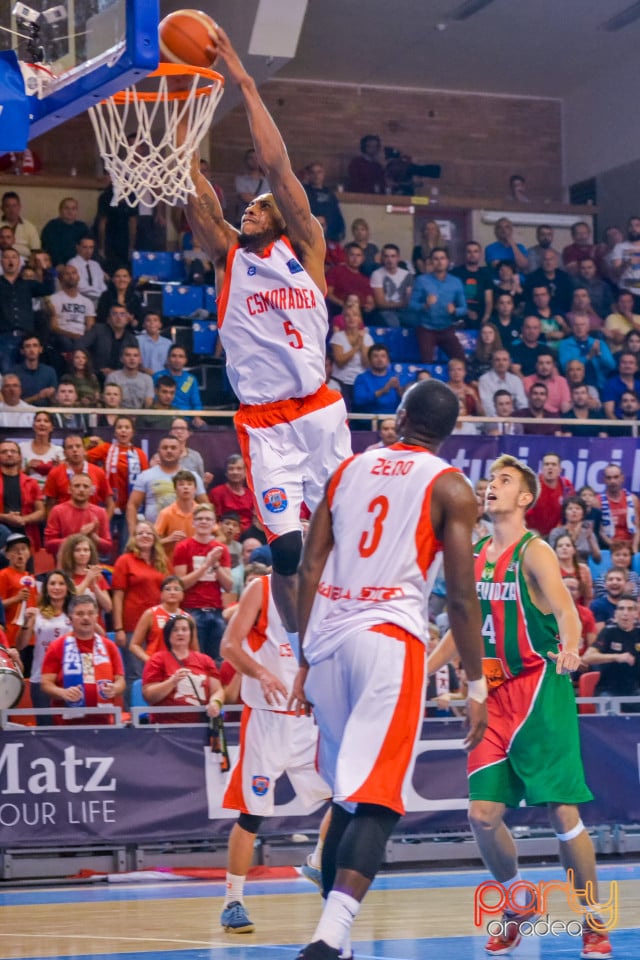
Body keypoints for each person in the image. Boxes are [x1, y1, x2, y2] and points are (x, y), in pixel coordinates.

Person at [291, 379, 486, 960]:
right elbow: (459, 599)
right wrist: (475, 684)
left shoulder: (349, 470)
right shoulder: (450, 485)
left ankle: (336, 941)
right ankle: (331, 936)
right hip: (388, 639)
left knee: (347, 800)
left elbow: (307, 568)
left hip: (328, 640)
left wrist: (305, 656)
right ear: (449, 433)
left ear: (399, 416)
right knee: (377, 798)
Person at [180, 27, 352, 635]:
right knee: (285, 552)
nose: (249, 206)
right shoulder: (231, 255)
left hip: (319, 410)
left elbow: (276, 166)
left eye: (259, 203)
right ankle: (303, 647)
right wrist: (185, 134)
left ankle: (347, 624)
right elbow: (195, 194)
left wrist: (244, 80)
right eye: (246, 204)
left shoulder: (305, 246)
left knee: (345, 542)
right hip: (264, 425)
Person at [427, 454, 613, 960]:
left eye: (504, 482)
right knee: (482, 815)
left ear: (525, 498)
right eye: (490, 481)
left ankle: (593, 921)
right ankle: (518, 903)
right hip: (492, 694)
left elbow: (566, 611)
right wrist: (420, 669)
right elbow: (458, 628)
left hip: (539, 687)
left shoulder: (536, 552)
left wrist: (572, 646)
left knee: (560, 810)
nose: (491, 487)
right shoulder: (477, 552)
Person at [219, 571, 332, 934]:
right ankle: (233, 901)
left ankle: (317, 861)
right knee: (251, 814)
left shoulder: (325, 587)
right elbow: (229, 646)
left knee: (346, 799)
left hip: (307, 716)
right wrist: (262, 674)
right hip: (266, 720)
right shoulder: (261, 587)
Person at [40, 594, 125, 725]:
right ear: (70, 618)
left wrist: (115, 688)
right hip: (66, 724)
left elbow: (120, 680)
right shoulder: (57, 646)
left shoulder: (109, 646)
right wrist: (63, 693)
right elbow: (46, 684)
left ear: (97, 617)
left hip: (103, 723)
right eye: (80, 614)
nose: (86, 618)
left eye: (90, 613)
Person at [111, 520, 170, 697]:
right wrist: (118, 628)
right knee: (135, 673)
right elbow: (118, 596)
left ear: (155, 538)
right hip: (132, 626)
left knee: (159, 673)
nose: (145, 536)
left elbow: (171, 590)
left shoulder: (162, 561)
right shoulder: (125, 561)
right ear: (133, 538)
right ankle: (133, 716)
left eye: (149, 533)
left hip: (160, 627)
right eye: (140, 533)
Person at [173, 503, 233, 663]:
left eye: (208, 519)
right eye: (199, 519)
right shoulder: (183, 547)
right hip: (192, 609)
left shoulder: (221, 549)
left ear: (214, 524)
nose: (204, 522)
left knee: (219, 660)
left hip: (216, 609)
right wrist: (206, 565)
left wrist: (215, 564)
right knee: (194, 659)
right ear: (193, 523)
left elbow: (229, 585)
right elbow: (181, 584)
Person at [142, 613, 224, 724]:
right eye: (175, 630)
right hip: (165, 727)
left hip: (201, 724)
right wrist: (172, 682)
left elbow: (218, 690)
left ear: (191, 634)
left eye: (184, 629)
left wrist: (216, 702)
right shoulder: (157, 659)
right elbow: (148, 696)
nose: (180, 633)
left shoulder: (205, 660)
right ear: (168, 634)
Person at [16, 570, 74, 720]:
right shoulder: (37, 614)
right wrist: (27, 623)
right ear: (46, 588)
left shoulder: (75, 614)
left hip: (69, 679)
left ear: (67, 587)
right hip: (40, 678)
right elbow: (21, 645)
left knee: (70, 728)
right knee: (45, 728)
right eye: (52, 583)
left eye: (61, 583)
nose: (56, 587)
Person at [86, 416, 148, 550]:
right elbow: (83, 457)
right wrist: (88, 445)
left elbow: (144, 480)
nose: (123, 431)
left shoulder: (140, 454)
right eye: (120, 428)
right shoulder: (106, 449)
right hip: (108, 506)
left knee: (127, 547)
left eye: (127, 428)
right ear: (114, 432)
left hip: (129, 508)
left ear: (132, 432)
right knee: (103, 548)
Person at [126, 434, 206, 529]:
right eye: (165, 448)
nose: (169, 451)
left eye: (173, 448)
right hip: (154, 535)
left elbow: (205, 506)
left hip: (186, 532)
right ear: (158, 452)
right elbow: (132, 505)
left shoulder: (193, 476)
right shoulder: (145, 476)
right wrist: (133, 533)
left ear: (180, 452)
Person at [408, 248, 467, 362]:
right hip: (426, 328)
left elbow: (464, 308)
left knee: (461, 362)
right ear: (431, 262)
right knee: (427, 363)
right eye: (436, 259)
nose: (439, 262)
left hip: (447, 328)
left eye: (442, 258)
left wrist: (455, 311)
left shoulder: (456, 282)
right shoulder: (421, 280)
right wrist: (425, 305)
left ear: (448, 261)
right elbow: (411, 305)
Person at [583, 595, 640, 709]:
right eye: (621, 608)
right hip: (608, 691)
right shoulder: (608, 632)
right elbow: (587, 657)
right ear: (615, 613)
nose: (625, 613)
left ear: (636, 613)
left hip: (634, 691)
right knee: (611, 722)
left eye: (630, 609)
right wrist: (617, 657)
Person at [44, 472, 112, 559]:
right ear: (69, 489)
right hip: (65, 565)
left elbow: (107, 548)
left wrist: (94, 537)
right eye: (77, 486)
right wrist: (79, 536)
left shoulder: (100, 512)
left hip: (91, 566)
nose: (81, 490)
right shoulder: (57, 511)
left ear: (92, 491)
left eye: (86, 486)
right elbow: (49, 545)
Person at [44, 434, 114, 517]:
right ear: (64, 453)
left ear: (84, 450)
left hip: (92, 525)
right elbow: (50, 506)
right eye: (70, 447)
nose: (75, 450)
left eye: (78, 446)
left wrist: (102, 525)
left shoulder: (98, 472)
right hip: (64, 526)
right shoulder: (55, 473)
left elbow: (110, 504)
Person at [129, 575, 190, 664]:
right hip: (156, 665)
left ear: (183, 594)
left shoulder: (187, 618)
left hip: (180, 666)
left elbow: (194, 649)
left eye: (177, 589)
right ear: (161, 594)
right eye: (168, 589)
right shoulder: (150, 614)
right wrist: (150, 661)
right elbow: (134, 645)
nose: (172, 592)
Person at [0, 439, 45, 550]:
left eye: (13, 451)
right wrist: (5, 517)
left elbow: (41, 512)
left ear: (20, 457)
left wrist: (24, 519)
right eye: (4, 452)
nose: (9, 454)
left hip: (26, 535)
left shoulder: (31, 482)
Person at [0, 532, 39, 654]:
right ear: (7, 555)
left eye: (23, 549)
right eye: (15, 550)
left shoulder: (31, 577)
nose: (20, 553)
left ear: (29, 553)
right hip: (11, 636)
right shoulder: (3, 575)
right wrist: (16, 598)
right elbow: (0, 605)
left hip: (31, 636)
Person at [58, 533, 112, 620]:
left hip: (96, 627)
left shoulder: (97, 576)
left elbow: (108, 607)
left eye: (86, 550)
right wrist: (88, 579)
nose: (82, 553)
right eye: (77, 550)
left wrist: (95, 586)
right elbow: (72, 599)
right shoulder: (63, 577)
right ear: (70, 553)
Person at [329, 305, 374, 408]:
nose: (351, 318)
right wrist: (356, 347)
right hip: (341, 381)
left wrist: (361, 343)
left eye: (355, 315)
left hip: (360, 381)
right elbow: (340, 362)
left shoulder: (367, 338)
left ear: (359, 319)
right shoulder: (337, 337)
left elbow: (367, 363)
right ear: (343, 319)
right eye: (347, 316)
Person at [525, 452, 575, 539]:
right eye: (546, 464)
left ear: (560, 469)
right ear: (542, 468)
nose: (550, 467)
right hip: (532, 532)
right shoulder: (531, 485)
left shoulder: (566, 485)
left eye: (554, 464)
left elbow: (570, 509)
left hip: (556, 532)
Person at [46, 263, 95, 351]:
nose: (71, 276)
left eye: (74, 273)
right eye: (67, 274)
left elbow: (90, 325)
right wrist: (72, 335)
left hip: (82, 337)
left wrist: (83, 337)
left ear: (78, 277)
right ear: (60, 279)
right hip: (62, 336)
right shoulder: (53, 299)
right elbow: (53, 327)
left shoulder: (87, 302)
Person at [154, 469, 198, 560]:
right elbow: (153, 542)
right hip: (172, 563)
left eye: (189, 484)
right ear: (175, 489)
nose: (186, 487)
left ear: (195, 489)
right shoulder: (166, 513)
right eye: (181, 484)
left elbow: (221, 536)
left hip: (197, 562)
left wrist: (207, 543)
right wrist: (168, 539)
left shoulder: (202, 512)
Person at [598, 463, 640, 552]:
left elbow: (638, 527)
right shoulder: (597, 501)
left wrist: (634, 548)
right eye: (609, 478)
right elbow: (599, 531)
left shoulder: (633, 499)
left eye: (616, 477)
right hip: (609, 547)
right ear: (604, 480)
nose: (612, 481)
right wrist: (615, 547)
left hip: (631, 547)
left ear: (622, 478)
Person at [352, 343, 404, 415]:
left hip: (392, 420)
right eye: (375, 356)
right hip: (369, 420)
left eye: (383, 356)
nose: (379, 359)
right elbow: (359, 400)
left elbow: (406, 402)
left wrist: (398, 389)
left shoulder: (395, 378)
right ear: (369, 360)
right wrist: (383, 390)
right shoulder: (361, 378)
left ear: (388, 360)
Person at [548, 496, 602, 564]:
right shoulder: (556, 532)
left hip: (583, 568)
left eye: (578, 508)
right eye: (570, 509)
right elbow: (554, 555)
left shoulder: (587, 532)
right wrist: (575, 535)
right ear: (565, 513)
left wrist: (590, 539)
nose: (574, 511)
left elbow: (598, 560)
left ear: (583, 513)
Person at [451, 240, 493, 328]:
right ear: (464, 254)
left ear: (480, 254)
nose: (472, 254)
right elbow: (451, 297)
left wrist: (486, 317)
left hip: (481, 317)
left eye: (475, 251)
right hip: (458, 316)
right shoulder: (455, 273)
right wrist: (466, 311)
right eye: (469, 252)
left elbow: (489, 300)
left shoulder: (486, 274)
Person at [369, 243, 412, 328]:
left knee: (418, 321)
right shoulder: (377, 274)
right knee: (393, 323)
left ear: (398, 258)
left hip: (404, 311)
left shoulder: (407, 274)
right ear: (382, 258)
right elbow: (380, 304)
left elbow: (409, 300)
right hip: (385, 311)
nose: (389, 260)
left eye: (393, 256)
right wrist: (401, 304)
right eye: (386, 256)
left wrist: (403, 303)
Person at [19, 410, 64, 490]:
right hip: (26, 491)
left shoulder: (58, 451)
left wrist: (57, 469)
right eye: (38, 420)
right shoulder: (21, 447)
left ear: (51, 427)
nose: (42, 424)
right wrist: (27, 469)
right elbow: (12, 475)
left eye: (46, 421)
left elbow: (63, 478)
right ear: (33, 426)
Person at [478, 349, 527, 417]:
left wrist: (518, 420)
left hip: (514, 420)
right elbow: (487, 406)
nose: (501, 363)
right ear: (492, 362)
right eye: (497, 360)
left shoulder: (516, 380)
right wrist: (499, 422)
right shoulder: (484, 380)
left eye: (504, 360)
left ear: (509, 362)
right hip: (493, 420)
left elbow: (522, 404)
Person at [304, 163, 345, 242]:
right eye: (313, 172)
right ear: (309, 175)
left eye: (319, 172)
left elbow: (337, 213)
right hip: (310, 235)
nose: (316, 175)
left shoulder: (330, 193)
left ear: (323, 174)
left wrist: (341, 230)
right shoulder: (303, 192)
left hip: (330, 237)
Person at [13, 335, 57, 407]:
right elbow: (12, 404)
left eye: (35, 345)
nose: (31, 349)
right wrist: (38, 397)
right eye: (28, 346)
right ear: (22, 351)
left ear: (40, 349)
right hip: (21, 413)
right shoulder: (14, 373)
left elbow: (55, 401)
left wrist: (52, 395)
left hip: (45, 414)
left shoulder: (50, 372)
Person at [68, 236, 107, 306]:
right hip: (80, 302)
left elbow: (102, 285)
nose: (88, 251)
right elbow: (81, 288)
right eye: (85, 247)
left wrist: (106, 295)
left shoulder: (95, 264)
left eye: (91, 247)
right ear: (78, 247)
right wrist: (102, 295)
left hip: (98, 301)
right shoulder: (73, 263)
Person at [168, 417, 208, 482]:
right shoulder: (162, 455)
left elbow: (201, 484)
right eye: (175, 428)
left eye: (183, 428)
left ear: (189, 433)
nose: (179, 431)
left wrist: (206, 482)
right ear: (170, 432)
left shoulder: (195, 456)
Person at [137, 311, 172, 375]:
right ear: (144, 324)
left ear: (160, 325)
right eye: (148, 320)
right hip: (142, 377)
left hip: (162, 379)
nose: (152, 323)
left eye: (155, 320)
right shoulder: (137, 340)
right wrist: (144, 370)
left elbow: (168, 364)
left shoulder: (168, 343)